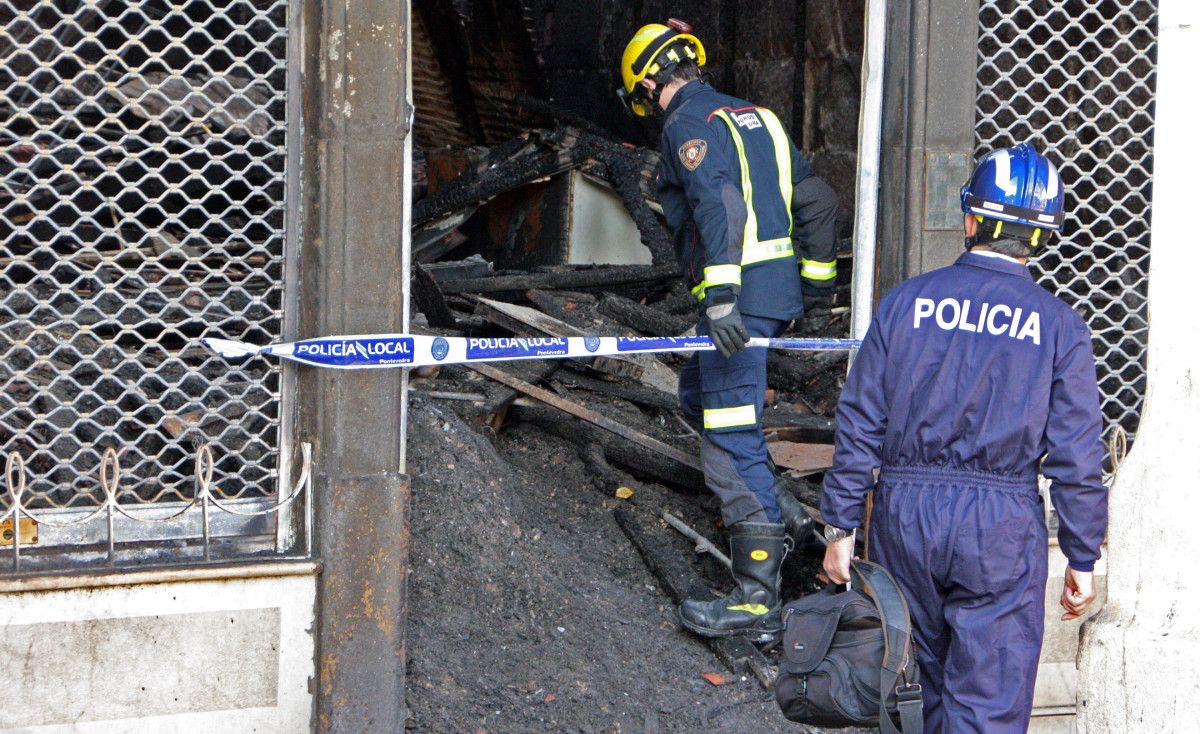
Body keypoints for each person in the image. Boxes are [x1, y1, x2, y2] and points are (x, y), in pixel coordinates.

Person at [819, 143, 1109, 732]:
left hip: (904, 517)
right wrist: (1082, 554)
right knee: (989, 705)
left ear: (971, 219)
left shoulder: (904, 304)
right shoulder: (1059, 327)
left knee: (907, 689)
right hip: (1000, 529)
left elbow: (860, 420)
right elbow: (1077, 455)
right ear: (1039, 238)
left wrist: (841, 524)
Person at [618, 20, 840, 641]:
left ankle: (755, 599)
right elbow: (819, 203)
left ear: (649, 83)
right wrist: (816, 293)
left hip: (735, 303)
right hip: (767, 299)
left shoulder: (687, 126)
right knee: (698, 396)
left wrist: (720, 298)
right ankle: (789, 521)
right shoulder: (760, 118)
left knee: (726, 440)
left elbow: (721, 207)